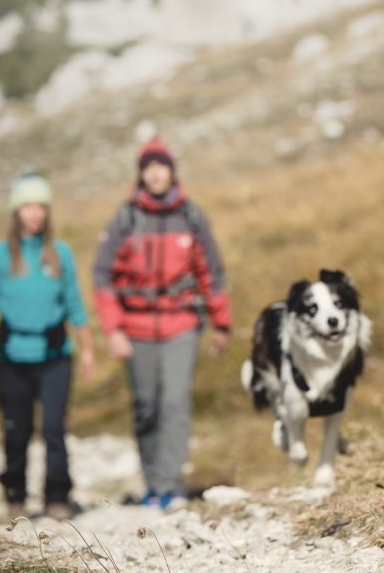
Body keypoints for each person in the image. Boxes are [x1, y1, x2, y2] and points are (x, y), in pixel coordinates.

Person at [93, 136, 231, 509]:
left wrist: (222, 322)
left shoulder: (191, 216)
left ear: (171, 171)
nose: (155, 173)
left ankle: (170, 485)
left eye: (162, 166)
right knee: (146, 405)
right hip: (135, 329)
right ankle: (152, 482)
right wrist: (113, 329)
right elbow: (103, 276)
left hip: (181, 325)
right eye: (149, 167)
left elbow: (211, 272)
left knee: (174, 401)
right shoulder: (126, 218)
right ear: (141, 174)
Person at [0, 171, 97, 520]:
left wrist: (88, 349)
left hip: (55, 357)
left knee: (54, 428)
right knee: (16, 429)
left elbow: (75, 304)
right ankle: (16, 495)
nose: (34, 214)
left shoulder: (61, 254)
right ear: (16, 212)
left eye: (40, 207)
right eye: (27, 207)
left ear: (48, 211)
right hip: (12, 357)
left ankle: (57, 496)